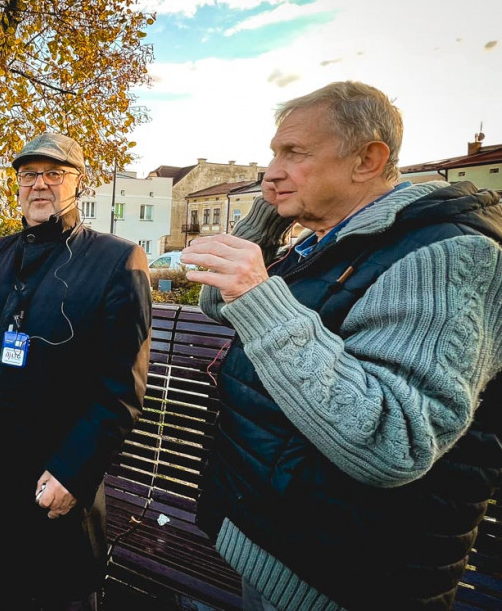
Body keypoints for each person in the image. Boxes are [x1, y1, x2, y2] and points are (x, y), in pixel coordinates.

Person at [181, 81, 502, 611]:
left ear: (368, 159)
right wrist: (271, 214)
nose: (271, 171)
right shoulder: (333, 239)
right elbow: (219, 306)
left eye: (294, 153)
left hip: (346, 578)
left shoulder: (449, 254)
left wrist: (262, 297)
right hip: (275, 541)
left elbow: (394, 440)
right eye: (272, 155)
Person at [0, 133, 152, 610]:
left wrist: (75, 473)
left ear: (79, 183)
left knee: (63, 595)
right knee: (6, 590)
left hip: (57, 469)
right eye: (29, 174)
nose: (40, 184)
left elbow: (122, 389)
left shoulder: (116, 259)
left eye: (55, 173)